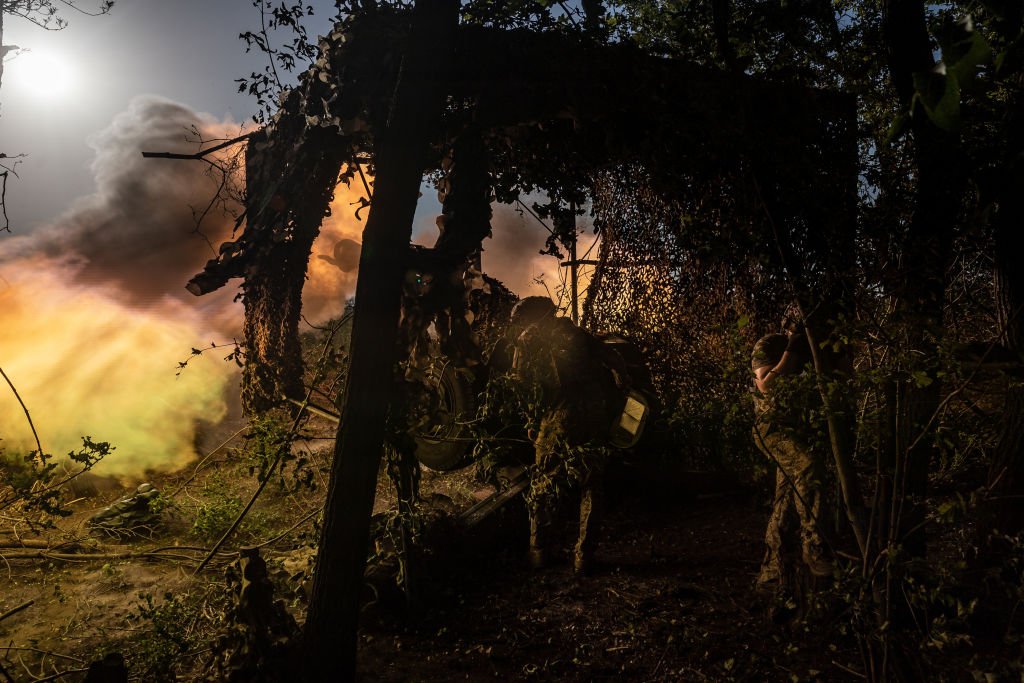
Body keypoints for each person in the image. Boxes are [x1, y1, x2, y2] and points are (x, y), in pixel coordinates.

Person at [507, 296, 620, 576]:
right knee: (591, 485)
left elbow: (521, 386)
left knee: (543, 482)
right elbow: (614, 360)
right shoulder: (576, 333)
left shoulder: (526, 342)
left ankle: (539, 551)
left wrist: (532, 421)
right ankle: (584, 557)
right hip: (590, 416)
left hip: (555, 420)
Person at [751, 313, 834, 593]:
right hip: (772, 428)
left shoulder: (819, 351)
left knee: (786, 501)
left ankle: (772, 573)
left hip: (801, 431)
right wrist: (792, 348)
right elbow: (765, 385)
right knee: (809, 468)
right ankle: (815, 548)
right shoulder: (771, 344)